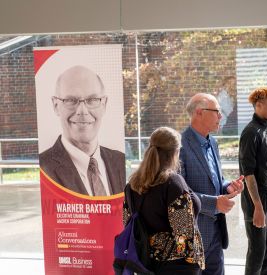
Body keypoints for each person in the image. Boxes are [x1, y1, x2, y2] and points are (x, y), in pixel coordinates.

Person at [123, 127, 204, 274]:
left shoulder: (132, 185)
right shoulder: (173, 183)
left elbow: (128, 224)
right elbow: (184, 235)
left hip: (145, 264)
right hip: (176, 266)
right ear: (175, 152)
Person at [180, 93, 244, 275]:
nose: (221, 116)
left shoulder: (213, 143)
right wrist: (214, 203)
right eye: (217, 111)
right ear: (199, 112)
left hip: (216, 236)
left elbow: (215, 181)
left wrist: (228, 187)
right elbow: (178, 196)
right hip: (191, 238)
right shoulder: (180, 145)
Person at [39, 65, 125, 196]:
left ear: (104, 104)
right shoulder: (43, 168)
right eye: (71, 100)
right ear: (56, 105)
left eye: (92, 100)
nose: (82, 111)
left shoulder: (120, 160)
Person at [239, 86, 267, 275]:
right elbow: (248, 174)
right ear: (259, 105)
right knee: (257, 250)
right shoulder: (250, 133)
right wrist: (257, 206)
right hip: (257, 199)